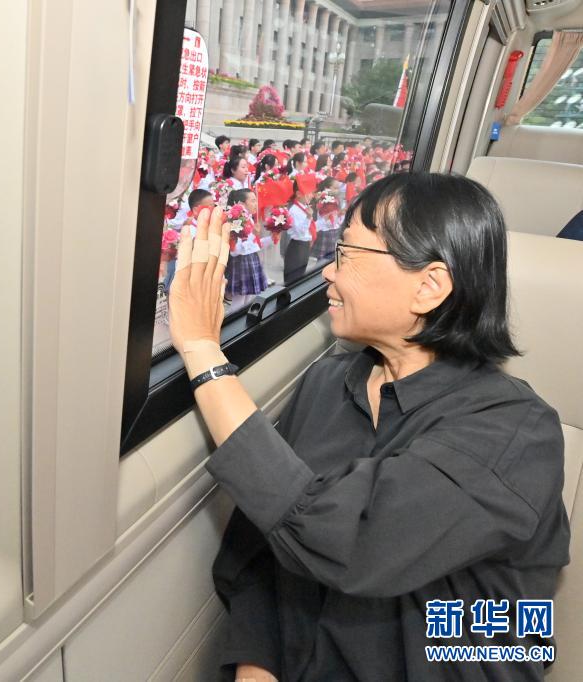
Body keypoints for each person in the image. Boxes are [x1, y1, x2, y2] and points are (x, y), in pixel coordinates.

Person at [166, 172, 568, 682]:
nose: (329, 273)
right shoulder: (328, 383)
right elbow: (265, 548)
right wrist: (257, 665)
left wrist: (203, 351)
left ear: (429, 286)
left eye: (347, 254)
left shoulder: (515, 431)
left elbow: (353, 542)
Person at [224, 189, 266, 304]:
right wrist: (253, 235)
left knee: (249, 301)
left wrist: (272, 237)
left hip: (251, 259)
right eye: (252, 201)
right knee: (239, 303)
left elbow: (254, 245)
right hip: (241, 262)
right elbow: (235, 250)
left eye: (256, 200)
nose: (256, 204)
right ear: (241, 204)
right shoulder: (236, 220)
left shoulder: (249, 218)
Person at [283, 179, 314, 286]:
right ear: (298, 194)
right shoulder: (294, 210)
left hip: (304, 246)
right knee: (293, 280)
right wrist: (308, 217)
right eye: (308, 192)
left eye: (311, 192)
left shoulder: (304, 207)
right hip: (297, 248)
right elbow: (301, 232)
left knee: (300, 278)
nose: (311, 195)